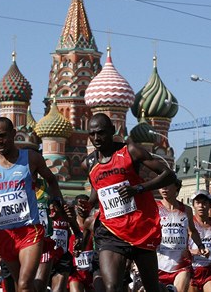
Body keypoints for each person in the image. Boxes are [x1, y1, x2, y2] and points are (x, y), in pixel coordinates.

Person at [0, 117, 77, 292]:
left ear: (14, 134)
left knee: (24, 284)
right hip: (4, 234)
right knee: (23, 286)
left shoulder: (31, 159)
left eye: (3, 136)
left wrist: (57, 201)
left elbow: (51, 180)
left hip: (30, 231)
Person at [82, 113, 177, 292]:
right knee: (111, 287)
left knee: (151, 288)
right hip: (110, 231)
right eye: (92, 134)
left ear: (112, 131)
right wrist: (86, 204)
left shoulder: (130, 151)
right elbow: (97, 192)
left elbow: (169, 175)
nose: (96, 138)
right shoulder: (89, 163)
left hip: (140, 228)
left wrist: (138, 188)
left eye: (101, 133)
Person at [156, 180, 208, 292]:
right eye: (161, 186)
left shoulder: (186, 210)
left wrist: (200, 246)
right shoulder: (155, 207)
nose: (164, 189)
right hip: (158, 263)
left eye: (167, 185)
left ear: (176, 187)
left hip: (181, 263)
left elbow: (192, 231)